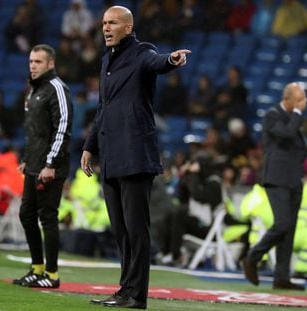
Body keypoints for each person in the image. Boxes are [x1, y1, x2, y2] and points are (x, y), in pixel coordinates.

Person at [81, 6, 190, 309]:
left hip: (135, 154)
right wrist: (90, 146)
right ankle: (125, 288)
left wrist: (171, 60)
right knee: (120, 230)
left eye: (112, 23)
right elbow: (103, 108)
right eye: (103, 22)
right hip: (111, 156)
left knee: (136, 229)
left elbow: (157, 63)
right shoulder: (106, 61)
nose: (105, 27)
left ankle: (136, 295)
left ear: (128, 27)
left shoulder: (143, 51)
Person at [12, 44, 73, 288]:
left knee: (48, 217)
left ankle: (52, 274)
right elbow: (34, 132)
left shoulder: (57, 88)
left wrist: (50, 163)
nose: (33, 66)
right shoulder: (33, 91)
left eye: (38, 62)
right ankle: (37, 268)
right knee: (26, 215)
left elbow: (63, 128)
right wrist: (28, 158)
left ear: (51, 64)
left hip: (51, 167)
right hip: (34, 164)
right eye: (30, 61)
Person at [242, 82, 307, 290]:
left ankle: (281, 277)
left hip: (294, 181)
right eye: (299, 100)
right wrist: (298, 112)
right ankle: (253, 256)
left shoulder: (292, 119)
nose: (303, 103)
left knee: (290, 231)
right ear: (287, 99)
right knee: (282, 224)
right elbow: (287, 134)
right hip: (276, 179)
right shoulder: (272, 115)